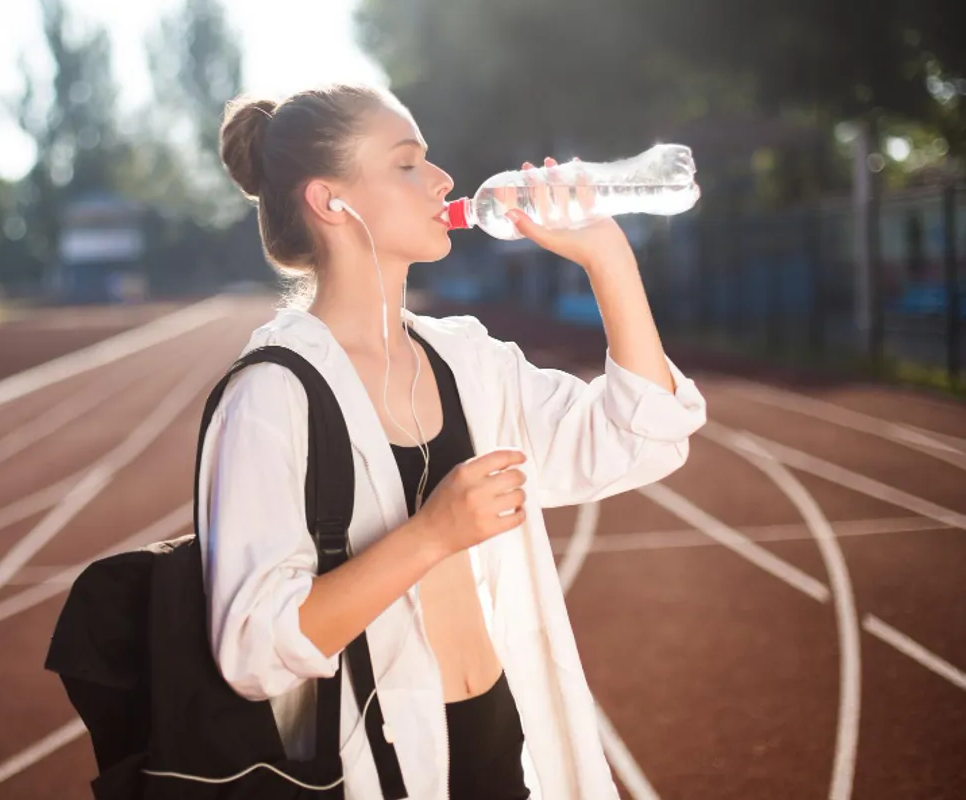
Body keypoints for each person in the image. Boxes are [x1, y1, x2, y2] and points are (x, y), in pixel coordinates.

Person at [195, 83, 707, 799]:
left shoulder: (467, 359)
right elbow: (255, 648)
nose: (442, 181)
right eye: (408, 165)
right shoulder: (270, 396)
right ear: (330, 201)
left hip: (504, 748)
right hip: (381, 770)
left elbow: (639, 435)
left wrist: (606, 258)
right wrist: (430, 536)